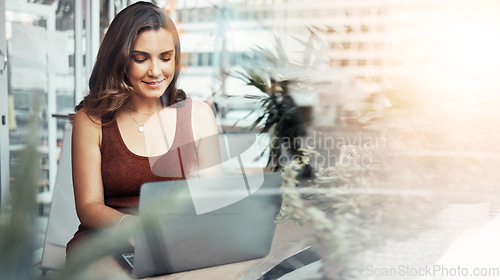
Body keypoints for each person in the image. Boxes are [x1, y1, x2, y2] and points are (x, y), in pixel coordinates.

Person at [66, 1, 221, 256]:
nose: (156, 71)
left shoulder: (199, 116)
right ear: (119, 60)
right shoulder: (92, 120)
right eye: (140, 59)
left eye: (166, 58)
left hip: (173, 241)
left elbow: (213, 200)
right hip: (106, 242)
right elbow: (88, 205)